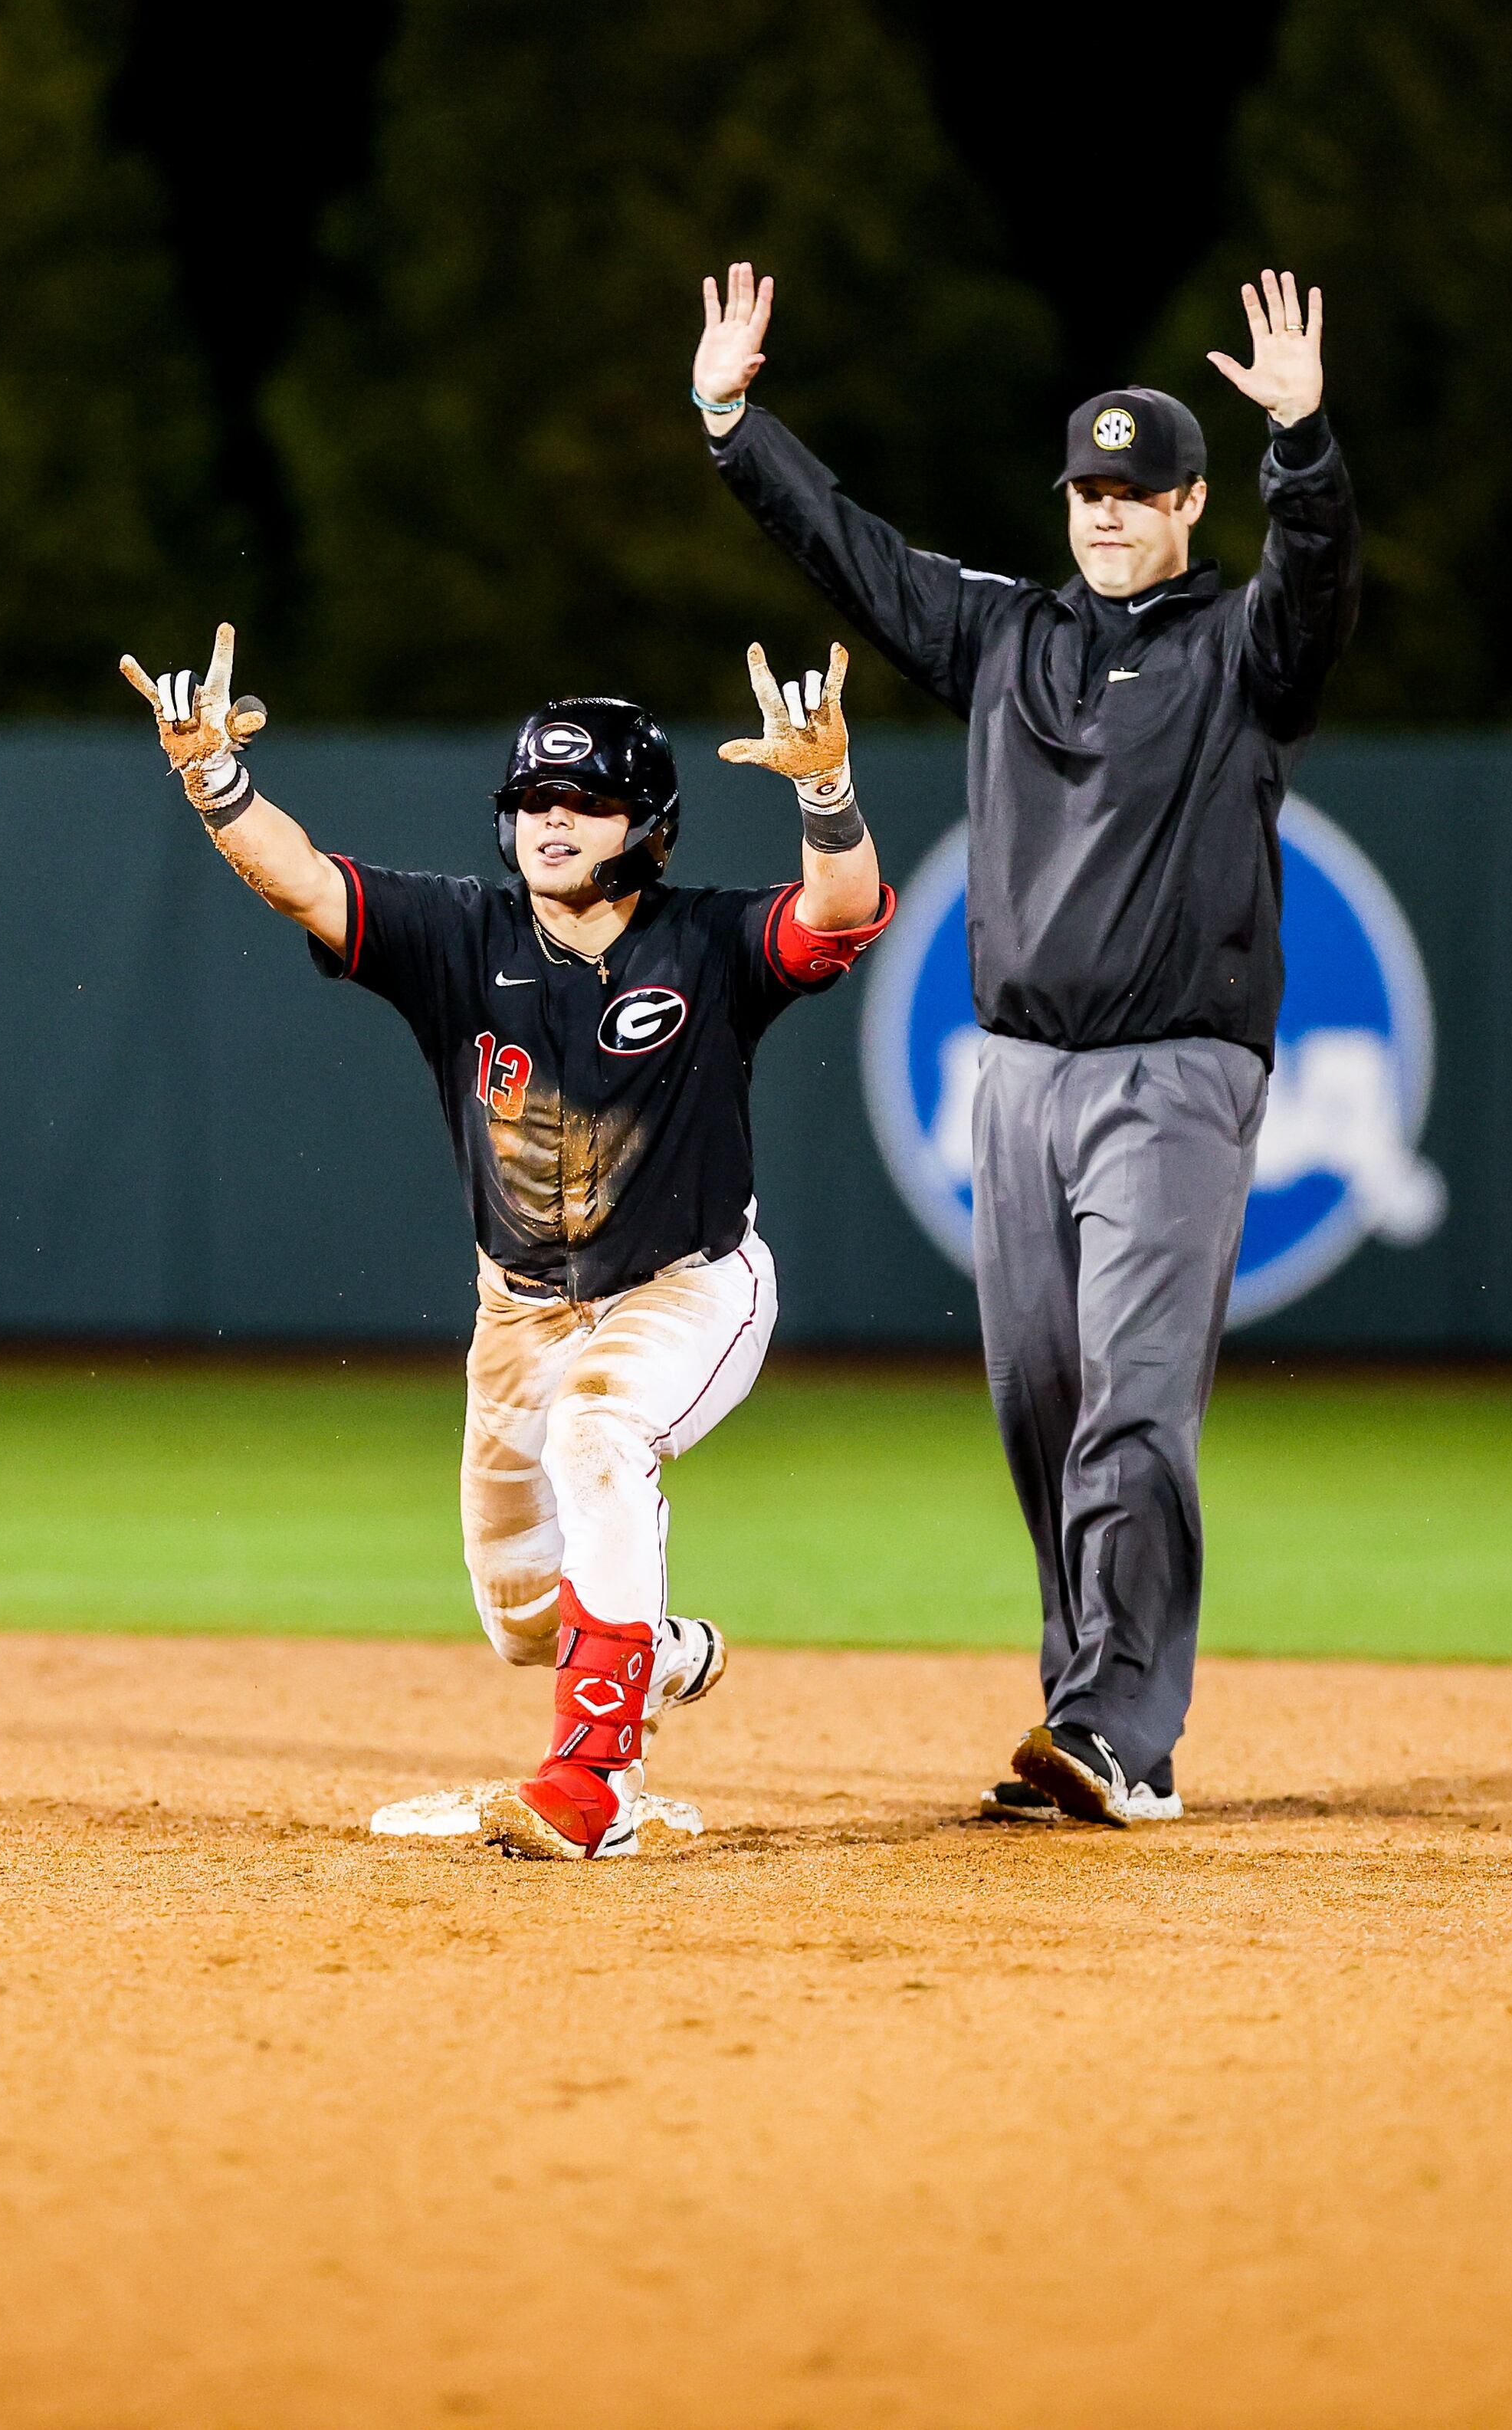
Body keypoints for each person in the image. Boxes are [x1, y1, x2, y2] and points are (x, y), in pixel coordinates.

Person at [690, 261, 1359, 1825]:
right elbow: (849, 554)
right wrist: (732, 421)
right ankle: (1089, 1719)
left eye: (1137, 488)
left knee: (1133, 1393)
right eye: (1088, 487)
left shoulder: (1240, 652)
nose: (1108, 510)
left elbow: (1317, 586)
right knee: (1041, 1402)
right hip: (1020, 1075)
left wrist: (1305, 447)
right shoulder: (1006, 635)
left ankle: (1121, 1724)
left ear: (1191, 504)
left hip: (1177, 1069)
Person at [120, 625, 892, 1860]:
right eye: (535, 796)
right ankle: (663, 1654)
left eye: (585, 801)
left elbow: (839, 916)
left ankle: (591, 1793)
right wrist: (216, 780)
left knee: (601, 1435)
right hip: (521, 1308)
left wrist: (825, 788)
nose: (553, 820)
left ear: (645, 824)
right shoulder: (462, 937)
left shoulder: (705, 941)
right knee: (523, 1618)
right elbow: (305, 880)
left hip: (689, 1287)